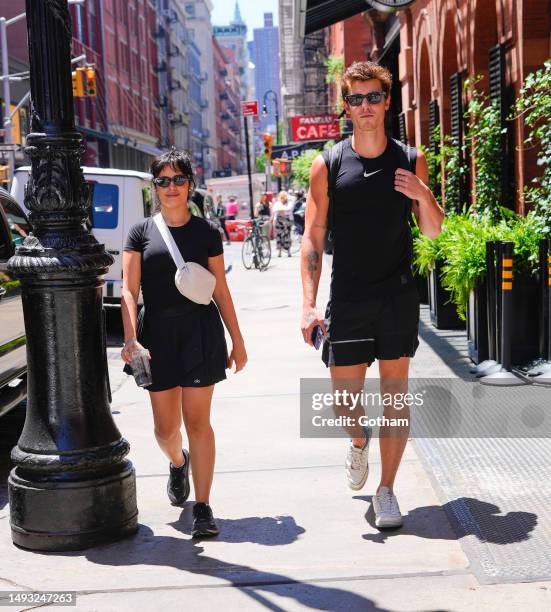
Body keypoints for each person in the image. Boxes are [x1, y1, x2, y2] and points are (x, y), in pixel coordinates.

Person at [300, 61, 444, 529]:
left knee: (396, 396)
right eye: (356, 99)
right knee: (346, 401)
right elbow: (312, 237)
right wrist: (307, 303)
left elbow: (434, 231)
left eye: (373, 97)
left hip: (397, 295)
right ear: (346, 107)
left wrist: (423, 194)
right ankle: (358, 441)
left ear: (386, 102)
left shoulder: (409, 159)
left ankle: (387, 490)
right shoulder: (329, 165)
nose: (365, 106)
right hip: (349, 297)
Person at [121, 148, 248, 538]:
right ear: (154, 186)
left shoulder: (207, 232)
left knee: (199, 423)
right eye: (163, 180)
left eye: (178, 179)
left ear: (190, 184)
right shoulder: (140, 232)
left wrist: (237, 341)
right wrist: (130, 339)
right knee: (165, 430)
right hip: (156, 336)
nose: (171, 187)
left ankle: (204, 506)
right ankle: (178, 463)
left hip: (200, 333)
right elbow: (128, 290)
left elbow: (221, 291)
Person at [272, 190, 292, 257]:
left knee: (287, 235)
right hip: (279, 220)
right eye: (281, 197)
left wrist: (280, 210)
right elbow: (274, 210)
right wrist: (274, 220)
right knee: (279, 236)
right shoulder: (277, 203)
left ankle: (288, 251)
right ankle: (279, 252)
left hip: (286, 220)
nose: (283, 198)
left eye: (284, 197)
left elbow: (289, 209)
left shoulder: (289, 203)